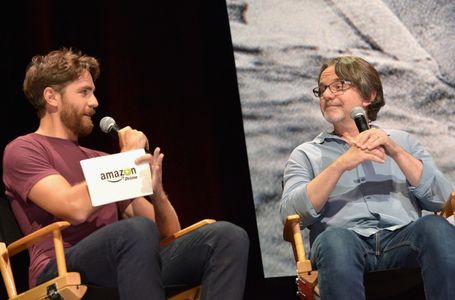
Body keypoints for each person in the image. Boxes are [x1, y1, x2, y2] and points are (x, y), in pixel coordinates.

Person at [2, 48, 249, 300]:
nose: (95, 102)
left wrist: (157, 193)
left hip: (126, 260)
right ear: (51, 97)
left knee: (227, 237)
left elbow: (168, 233)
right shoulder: (23, 149)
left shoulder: (100, 159)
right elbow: (74, 208)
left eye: (93, 91)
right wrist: (124, 159)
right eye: (84, 92)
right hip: (59, 267)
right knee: (135, 231)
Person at [280, 56, 455, 299]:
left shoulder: (402, 142)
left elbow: (444, 199)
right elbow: (291, 213)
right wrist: (339, 165)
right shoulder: (306, 154)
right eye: (321, 89)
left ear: (368, 95)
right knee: (335, 240)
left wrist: (395, 151)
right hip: (344, 243)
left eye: (338, 86)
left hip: (402, 240)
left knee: (435, 227)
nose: (327, 95)